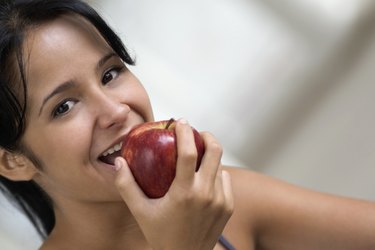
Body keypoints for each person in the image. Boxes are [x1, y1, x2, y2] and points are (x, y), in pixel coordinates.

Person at [0, 1, 374, 249]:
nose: (114, 110)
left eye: (111, 72)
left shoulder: (221, 202)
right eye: (64, 106)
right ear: (12, 161)